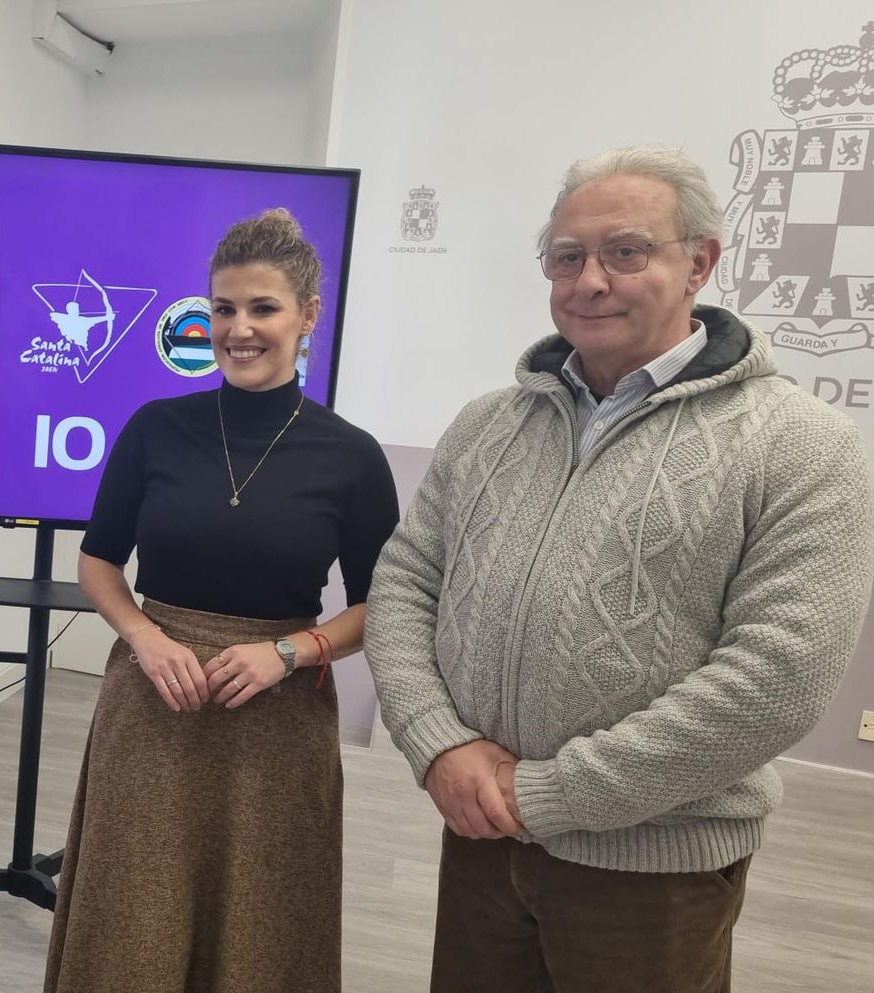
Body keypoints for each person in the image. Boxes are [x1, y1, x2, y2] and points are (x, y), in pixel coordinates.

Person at [363, 145, 874, 993]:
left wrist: (548, 796)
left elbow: (776, 679)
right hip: (481, 839)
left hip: (650, 871)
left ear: (699, 262)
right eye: (567, 256)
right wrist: (440, 745)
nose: (590, 279)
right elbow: (406, 580)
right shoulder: (489, 423)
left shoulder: (802, 444)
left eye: (626, 251)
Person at [44, 208, 399, 993]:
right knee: (133, 916)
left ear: (308, 316)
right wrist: (144, 635)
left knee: (265, 923)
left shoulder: (350, 456)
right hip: (153, 706)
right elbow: (99, 561)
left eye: (263, 308)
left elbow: (383, 608)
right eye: (224, 308)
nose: (239, 329)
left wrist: (291, 652)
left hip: (277, 718)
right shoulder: (154, 430)